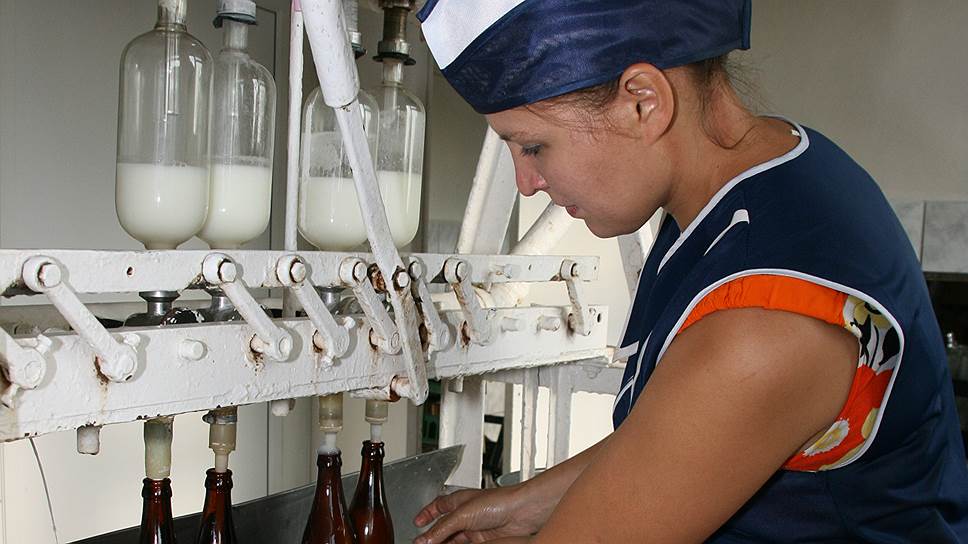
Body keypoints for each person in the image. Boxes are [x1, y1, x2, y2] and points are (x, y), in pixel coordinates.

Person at [412, 1, 968, 542]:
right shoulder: (769, 176)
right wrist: (523, 505)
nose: (527, 182)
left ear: (643, 102)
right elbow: (689, 439)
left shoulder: (763, 322)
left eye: (533, 146)